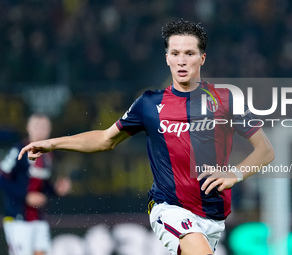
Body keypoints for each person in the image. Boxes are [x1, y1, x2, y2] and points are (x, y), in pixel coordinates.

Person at [18, 20, 274, 255]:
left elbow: (265, 150)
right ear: (167, 59)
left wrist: (235, 174)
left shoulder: (226, 100)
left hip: (214, 215)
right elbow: (105, 139)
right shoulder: (150, 103)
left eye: (189, 53)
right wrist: (53, 143)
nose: (181, 61)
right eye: (175, 54)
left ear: (202, 58)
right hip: (170, 208)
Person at [0, 113, 71, 255]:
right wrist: (25, 196)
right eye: (37, 126)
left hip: (38, 217)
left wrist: (55, 190)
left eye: (44, 126)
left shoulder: (47, 155)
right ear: (28, 128)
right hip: (18, 218)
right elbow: (2, 179)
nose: (41, 130)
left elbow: (40, 184)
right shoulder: (18, 151)